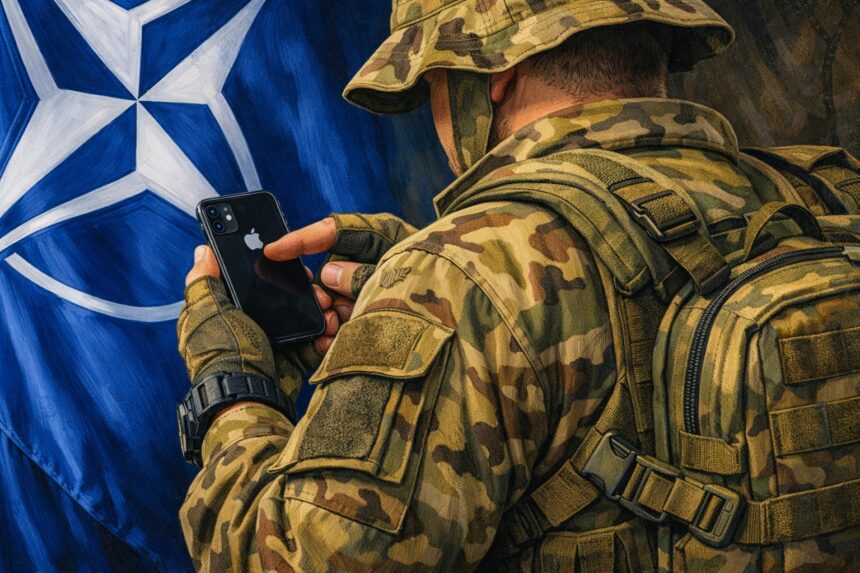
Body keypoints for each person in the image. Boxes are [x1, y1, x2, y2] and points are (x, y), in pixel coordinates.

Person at [176, 1, 860, 571]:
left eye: (435, 82)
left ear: (493, 74)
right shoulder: (828, 194)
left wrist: (231, 387)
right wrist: (423, 277)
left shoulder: (465, 273)